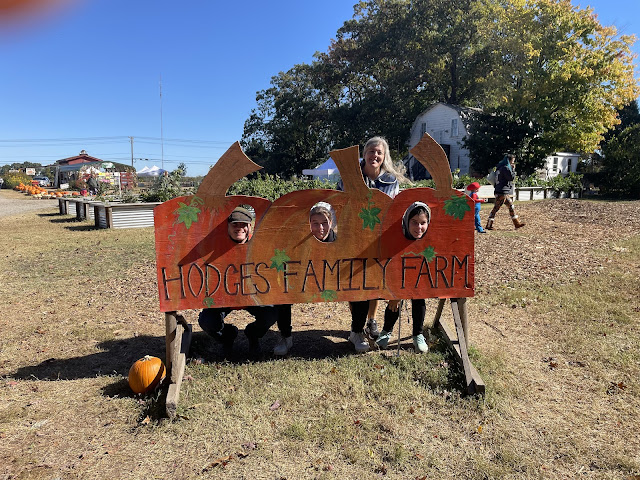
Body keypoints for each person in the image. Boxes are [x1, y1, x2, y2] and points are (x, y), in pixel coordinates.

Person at [337, 136, 407, 352]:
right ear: (364, 154)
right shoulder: (349, 177)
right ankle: (356, 327)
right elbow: (338, 203)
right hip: (353, 236)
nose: (374, 155)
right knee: (355, 282)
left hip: (378, 238)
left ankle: (371, 319)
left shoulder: (390, 181)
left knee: (375, 281)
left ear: (384, 156)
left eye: (379, 152)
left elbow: (395, 210)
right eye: (371, 151)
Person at [198, 206, 292, 359]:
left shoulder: (260, 246)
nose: (239, 228)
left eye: (243, 224)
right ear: (227, 227)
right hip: (224, 296)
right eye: (235, 224)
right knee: (207, 321)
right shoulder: (215, 246)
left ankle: (252, 334)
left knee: (270, 314)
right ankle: (228, 335)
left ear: (250, 226)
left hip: (253, 295)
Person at [375, 202, 431, 353]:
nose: (418, 227)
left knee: (419, 298)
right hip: (399, 274)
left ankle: (418, 334)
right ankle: (386, 331)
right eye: (414, 222)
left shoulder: (430, 239)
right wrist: (397, 293)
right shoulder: (398, 236)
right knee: (394, 300)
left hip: (420, 276)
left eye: (423, 223)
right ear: (407, 221)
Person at [486, 154, 525, 230]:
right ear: (509, 160)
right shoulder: (506, 168)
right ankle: (489, 224)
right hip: (502, 191)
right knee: (496, 208)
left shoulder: (500, 167)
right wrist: (513, 170)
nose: (513, 163)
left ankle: (516, 223)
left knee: (511, 206)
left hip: (501, 190)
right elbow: (511, 178)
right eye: (512, 161)